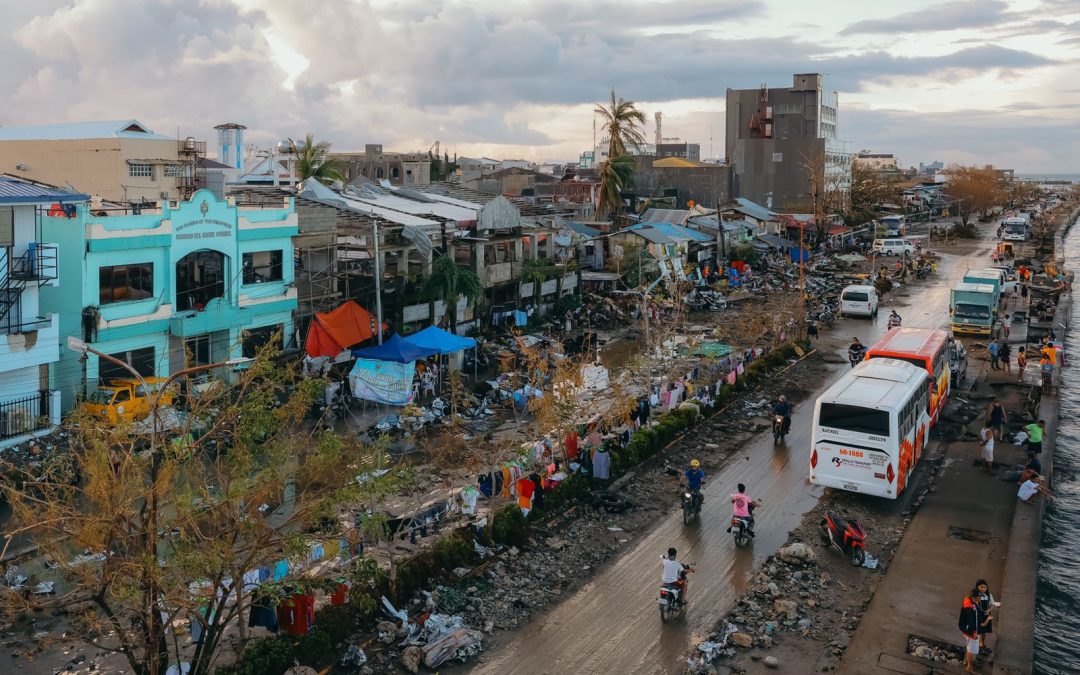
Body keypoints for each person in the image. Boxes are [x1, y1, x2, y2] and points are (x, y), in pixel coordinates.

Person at [959, 588, 985, 673]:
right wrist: (974, 633)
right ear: (975, 597)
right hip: (969, 630)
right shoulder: (969, 606)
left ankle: (966, 661)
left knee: (969, 645)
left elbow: (976, 614)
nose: (981, 598)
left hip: (966, 628)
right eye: (979, 596)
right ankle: (969, 667)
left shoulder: (972, 602)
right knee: (971, 649)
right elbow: (970, 620)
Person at [975, 580, 1000, 653]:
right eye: (981, 587)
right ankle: (976, 645)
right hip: (978, 615)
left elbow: (992, 604)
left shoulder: (988, 595)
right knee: (978, 630)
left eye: (985, 587)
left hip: (986, 615)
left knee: (984, 631)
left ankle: (982, 644)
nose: (983, 589)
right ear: (977, 587)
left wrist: (989, 610)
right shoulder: (976, 596)